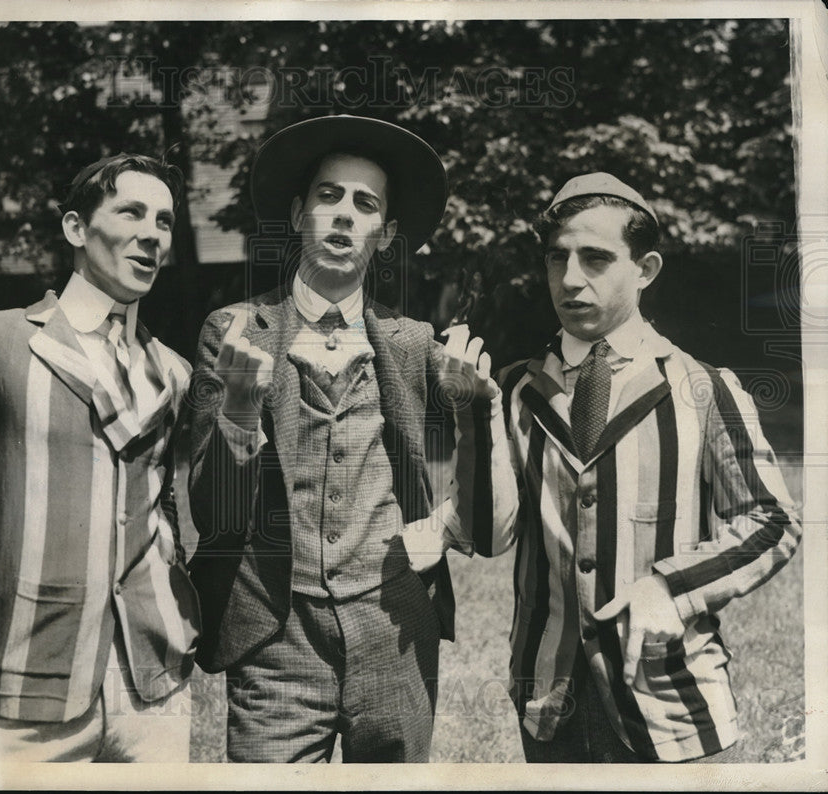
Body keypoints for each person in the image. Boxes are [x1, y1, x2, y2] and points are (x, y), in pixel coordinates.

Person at [186, 114, 519, 763]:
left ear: (387, 233)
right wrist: (238, 410)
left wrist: (481, 417)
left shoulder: (415, 344)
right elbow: (213, 512)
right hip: (276, 640)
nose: (344, 216)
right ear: (298, 211)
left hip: (395, 632)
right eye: (329, 196)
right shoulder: (234, 332)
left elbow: (486, 528)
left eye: (366, 204)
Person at [0, 153, 200, 762]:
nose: (152, 234)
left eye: (165, 221)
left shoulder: (173, 372)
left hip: (155, 685)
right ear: (74, 229)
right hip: (35, 680)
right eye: (131, 212)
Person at [494, 172, 802, 763]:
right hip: (548, 703)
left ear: (646, 269)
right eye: (557, 259)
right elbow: (490, 529)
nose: (571, 278)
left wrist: (670, 587)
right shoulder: (513, 391)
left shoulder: (704, 388)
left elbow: (771, 520)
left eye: (596, 258)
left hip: (670, 695)